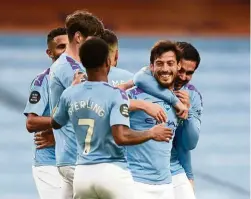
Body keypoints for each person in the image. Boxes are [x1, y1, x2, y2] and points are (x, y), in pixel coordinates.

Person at [51, 37, 173, 199]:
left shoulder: (70, 94)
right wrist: (151, 133)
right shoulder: (116, 95)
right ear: (108, 62)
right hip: (111, 172)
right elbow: (121, 136)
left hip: (82, 175)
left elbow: (55, 122)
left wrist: (70, 91)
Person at [133, 41, 203, 199]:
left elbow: (189, 143)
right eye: (182, 71)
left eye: (189, 73)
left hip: (175, 167)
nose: (183, 77)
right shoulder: (146, 84)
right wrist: (174, 101)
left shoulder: (192, 95)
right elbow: (138, 78)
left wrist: (188, 111)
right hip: (143, 173)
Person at [49, 10, 105, 199]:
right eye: (94, 39)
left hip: (68, 155)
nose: (98, 46)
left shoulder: (72, 65)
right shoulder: (70, 69)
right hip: (77, 157)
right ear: (79, 37)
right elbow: (97, 101)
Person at [126, 40, 182, 199]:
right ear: (151, 67)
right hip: (135, 182)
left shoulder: (180, 101)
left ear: (178, 66)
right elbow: (107, 104)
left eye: (170, 63)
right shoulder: (135, 94)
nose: (165, 69)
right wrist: (142, 105)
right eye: (159, 63)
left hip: (165, 185)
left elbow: (190, 143)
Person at [23, 27, 68, 199]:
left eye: (68, 47)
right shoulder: (43, 81)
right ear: (49, 52)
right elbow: (31, 123)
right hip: (50, 164)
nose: (65, 52)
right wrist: (61, 125)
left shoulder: (82, 79)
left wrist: (59, 136)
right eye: (60, 47)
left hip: (77, 162)